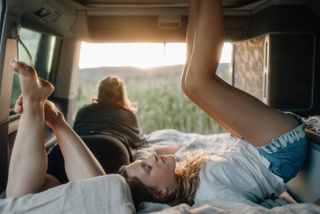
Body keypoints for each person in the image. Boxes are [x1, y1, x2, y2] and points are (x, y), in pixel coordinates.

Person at [118, 0, 311, 208]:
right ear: (160, 193)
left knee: (187, 85)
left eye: (145, 161)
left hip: (256, 146)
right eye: (148, 168)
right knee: (196, 82)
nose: (153, 158)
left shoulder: (188, 177)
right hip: (278, 152)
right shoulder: (210, 198)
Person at [47, 76, 146, 183]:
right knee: (102, 189)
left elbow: (73, 132)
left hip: (70, 146)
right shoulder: (128, 114)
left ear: (100, 92)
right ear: (122, 94)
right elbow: (137, 142)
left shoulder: (84, 110)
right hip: (110, 146)